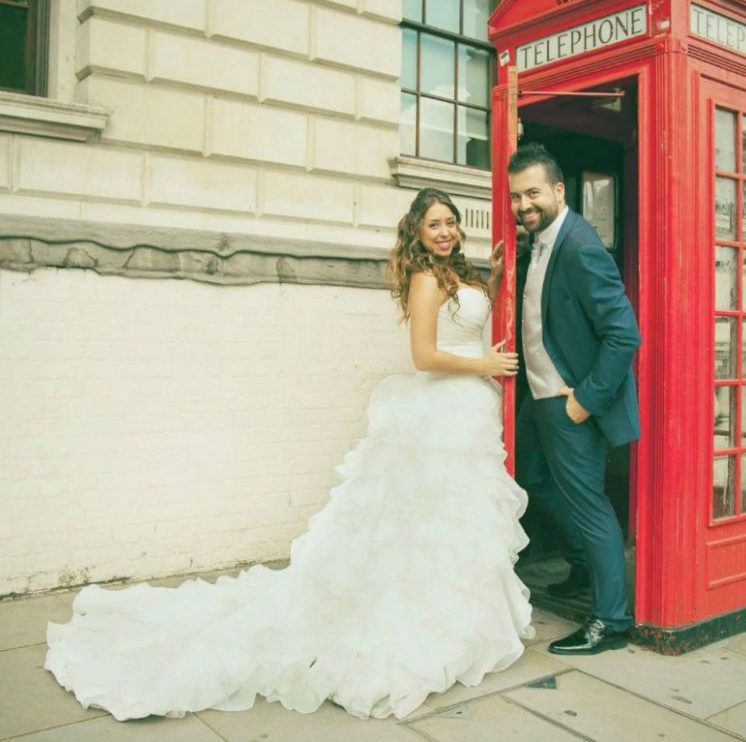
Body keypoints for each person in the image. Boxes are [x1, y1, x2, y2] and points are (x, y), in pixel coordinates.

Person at [44, 188, 535, 722]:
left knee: (450, 524)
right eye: (434, 224)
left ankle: (454, 618)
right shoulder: (423, 278)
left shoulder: (455, 273)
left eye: (451, 222)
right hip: (440, 411)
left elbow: (466, 321)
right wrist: (484, 366)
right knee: (423, 525)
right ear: (416, 231)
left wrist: (496, 277)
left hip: (466, 414)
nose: (445, 232)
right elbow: (423, 355)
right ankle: (416, 623)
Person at [509, 143, 641, 655]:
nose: (524, 204)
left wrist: (585, 400)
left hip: (570, 402)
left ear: (559, 191)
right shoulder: (540, 242)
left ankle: (611, 621)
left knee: (590, 506)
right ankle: (583, 565)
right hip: (537, 396)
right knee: (532, 480)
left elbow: (624, 334)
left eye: (533, 193)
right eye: (517, 196)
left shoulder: (581, 245)